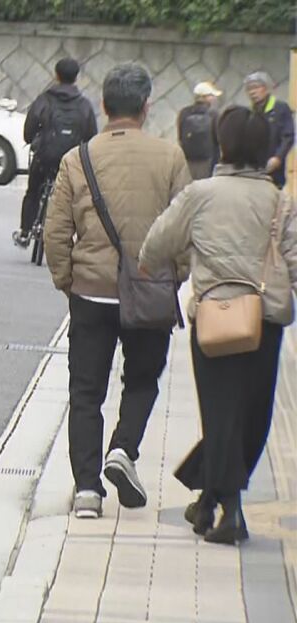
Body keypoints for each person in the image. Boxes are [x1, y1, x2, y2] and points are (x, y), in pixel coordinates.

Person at [140, 106, 297, 545]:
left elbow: (156, 246)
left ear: (222, 144)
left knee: (221, 413)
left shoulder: (200, 194)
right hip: (265, 321)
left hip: (214, 318)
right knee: (252, 416)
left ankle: (221, 507)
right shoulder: (280, 201)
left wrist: (172, 262)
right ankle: (220, 505)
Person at [43, 63, 192, 519]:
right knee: (143, 380)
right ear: (146, 107)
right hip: (149, 291)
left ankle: (87, 491)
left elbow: (56, 231)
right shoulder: (170, 157)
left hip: (91, 293)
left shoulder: (78, 158)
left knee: (86, 391)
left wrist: (68, 280)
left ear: (104, 105)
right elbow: (185, 229)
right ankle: (123, 449)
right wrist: (174, 276)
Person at [14, 57, 98, 248]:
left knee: (33, 191)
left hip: (44, 157)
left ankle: (25, 232)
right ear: (76, 77)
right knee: (74, 197)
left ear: (56, 75)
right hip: (71, 160)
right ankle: (72, 236)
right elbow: (91, 136)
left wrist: (32, 140)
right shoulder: (84, 105)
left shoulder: (44, 100)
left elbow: (29, 130)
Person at [244, 71, 295, 189]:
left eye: (256, 87)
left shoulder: (280, 108)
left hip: (274, 170)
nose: (252, 92)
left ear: (267, 88)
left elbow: (288, 136)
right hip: (252, 170)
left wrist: (278, 157)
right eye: (249, 89)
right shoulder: (248, 112)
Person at [176, 81, 222, 180]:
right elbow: (219, 138)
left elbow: (180, 136)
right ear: (203, 97)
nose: (214, 98)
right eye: (211, 95)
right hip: (208, 160)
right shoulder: (214, 114)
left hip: (188, 159)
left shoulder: (184, 112)